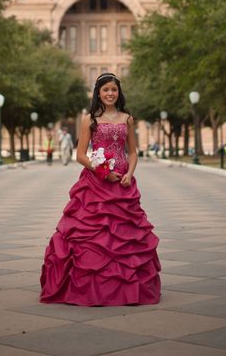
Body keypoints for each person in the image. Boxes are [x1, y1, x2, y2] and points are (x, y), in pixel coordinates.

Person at [40, 72, 161, 306]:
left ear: (119, 92)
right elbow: (80, 155)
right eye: (105, 90)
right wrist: (104, 172)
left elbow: (133, 152)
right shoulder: (90, 119)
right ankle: (91, 287)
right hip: (96, 184)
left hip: (123, 185)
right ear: (98, 93)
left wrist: (129, 173)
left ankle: (127, 288)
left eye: (113, 90)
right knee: (93, 234)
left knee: (126, 236)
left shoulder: (128, 119)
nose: (109, 93)